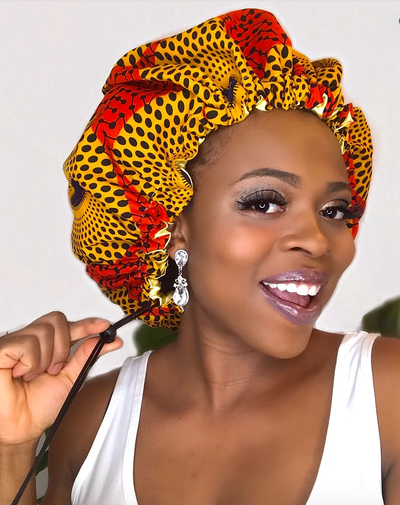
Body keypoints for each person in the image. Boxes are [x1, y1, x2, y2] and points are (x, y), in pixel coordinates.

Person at [1, 7, 400, 505]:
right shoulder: (93, 423)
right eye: (265, 203)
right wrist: (11, 449)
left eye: (335, 210)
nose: (319, 240)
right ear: (172, 228)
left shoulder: (387, 395)